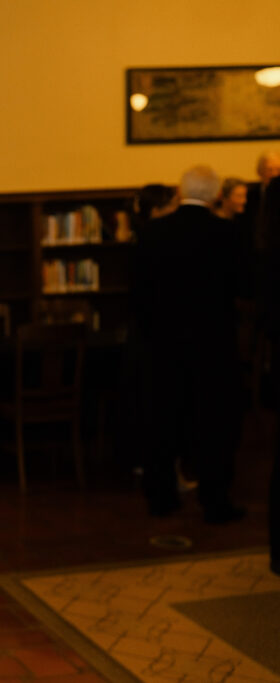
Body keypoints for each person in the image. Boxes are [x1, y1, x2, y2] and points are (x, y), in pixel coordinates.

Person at [134, 165, 244, 523]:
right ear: (216, 196)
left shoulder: (153, 233)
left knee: (162, 420)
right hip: (213, 345)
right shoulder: (227, 234)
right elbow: (243, 288)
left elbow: (138, 292)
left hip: (163, 345)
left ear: (181, 194)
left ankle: (161, 496)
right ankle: (215, 500)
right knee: (214, 424)